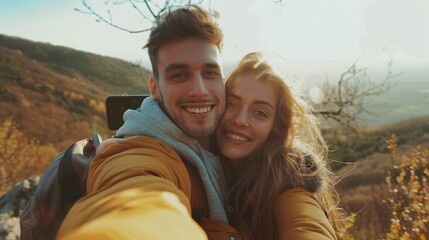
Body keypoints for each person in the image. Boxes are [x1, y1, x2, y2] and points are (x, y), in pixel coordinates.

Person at [57, 5, 240, 240]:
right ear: (155, 89)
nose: (199, 90)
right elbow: (133, 199)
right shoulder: (137, 152)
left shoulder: (233, 140)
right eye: (180, 75)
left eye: (210, 73)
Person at [215, 52, 347, 239]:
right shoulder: (199, 162)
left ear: (276, 127)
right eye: (231, 104)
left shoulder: (289, 183)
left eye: (260, 113)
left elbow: (308, 226)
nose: (240, 120)